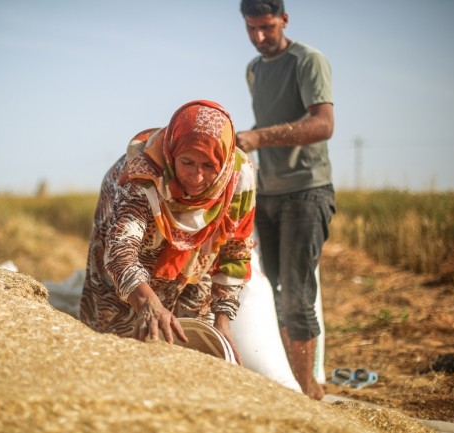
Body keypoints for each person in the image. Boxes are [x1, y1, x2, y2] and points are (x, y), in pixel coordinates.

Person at [79, 100, 256, 365]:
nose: (196, 177)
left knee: (194, 323)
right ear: (172, 155)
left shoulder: (238, 177)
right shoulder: (142, 176)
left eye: (208, 166)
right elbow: (120, 253)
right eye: (187, 162)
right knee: (118, 323)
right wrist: (148, 302)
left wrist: (223, 321)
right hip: (137, 237)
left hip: (199, 251)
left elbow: (235, 252)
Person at [237, 0, 335, 400]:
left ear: (284, 20)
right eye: (251, 29)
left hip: (306, 191)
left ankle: (309, 393)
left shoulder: (307, 61)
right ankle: (288, 387)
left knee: (297, 295)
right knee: (274, 292)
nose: (260, 37)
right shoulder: (254, 70)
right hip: (269, 194)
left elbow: (323, 124)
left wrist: (259, 138)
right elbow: (266, 123)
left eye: (267, 27)